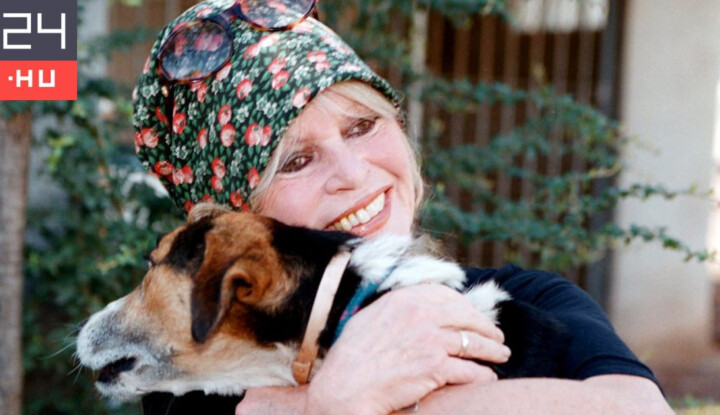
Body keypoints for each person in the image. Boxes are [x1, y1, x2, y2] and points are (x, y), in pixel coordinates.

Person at [132, 0, 673, 414]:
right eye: (295, 161)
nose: (353, 173)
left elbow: (638, 408)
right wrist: (337, 399)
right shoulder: (194, 386)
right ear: (238, 228)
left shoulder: (531, 300)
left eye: (362, 126)